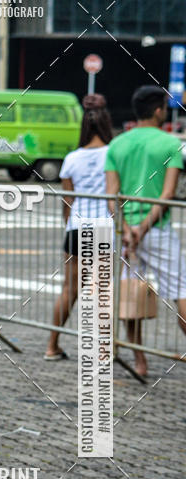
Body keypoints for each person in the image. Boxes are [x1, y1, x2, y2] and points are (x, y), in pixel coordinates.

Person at [106, 85, 186, 377]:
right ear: (158, 110)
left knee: (130, 293)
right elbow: (167, 194)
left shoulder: (117, 144)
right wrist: (144, 226)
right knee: (181, 291)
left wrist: (128, 229)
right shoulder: (170, 144)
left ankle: (139, 361)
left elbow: (112, 195)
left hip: (125, 235)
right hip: (157, 229)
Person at [45, 94, 113, 360]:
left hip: (76, 227)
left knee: (69, 289)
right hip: (104, 227)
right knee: (101, 291)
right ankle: (102, 351)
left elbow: (68, 201)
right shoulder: (113, 154)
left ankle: (52, 345)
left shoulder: (72, 158)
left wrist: (69, 227)